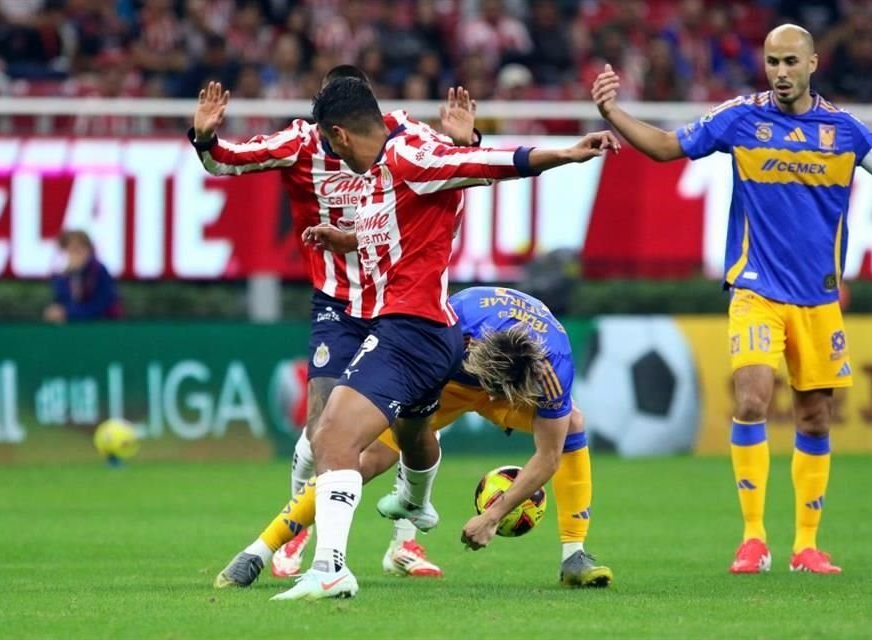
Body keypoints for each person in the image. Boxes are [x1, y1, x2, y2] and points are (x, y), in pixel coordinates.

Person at [592, 24, 872, 575]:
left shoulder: (845, 131)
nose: (780, 72)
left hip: (817, 301)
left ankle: (807, 546)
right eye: (772, 61)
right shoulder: (740, 117)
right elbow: (667, 148)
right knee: (750, 400)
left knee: (815, 418)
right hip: (756, 290)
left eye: (791, 61)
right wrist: (613, 114)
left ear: (814, 63)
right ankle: (753, 539)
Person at [269, 77, 617, 600]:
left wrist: (564, 153)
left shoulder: (407, 158)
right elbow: (410, 217)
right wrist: (348, 236)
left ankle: (324, 559)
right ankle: (390, 520)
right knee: (351, 440)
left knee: (335, 438)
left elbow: (493, 166)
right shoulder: (387, 171)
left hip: (415, 333)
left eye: (325, 144)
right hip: (439, 346)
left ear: (338, 136)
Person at [192, 67, 479, 581]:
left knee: (410, 430)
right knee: (323, 428)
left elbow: (461, 169)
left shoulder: (405, 136)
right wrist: (207, 135)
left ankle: (405, 539)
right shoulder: (302, 144)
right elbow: (224, 164)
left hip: (401, 300)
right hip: (339, 304)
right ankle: (297, 534)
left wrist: (468, 140)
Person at [223, 286, 617, 590]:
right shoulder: (453, 323)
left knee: (573, 424)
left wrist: (492, 516)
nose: (492, 401)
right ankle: (259, 550)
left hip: (506, 380)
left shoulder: (553, 369)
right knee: (364, 457)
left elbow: (548, 457)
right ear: (475, 349)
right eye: (492, 389)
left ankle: (574, 556)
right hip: (445, 379)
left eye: (499, 395)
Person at [44, 230, 121, 323]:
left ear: (88, 249)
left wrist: (69, 313)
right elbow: (62, 300)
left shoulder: (99, 271)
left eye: (79, 248)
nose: (75, 254)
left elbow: (101, 305)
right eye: (71, 249)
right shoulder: (61, 275)